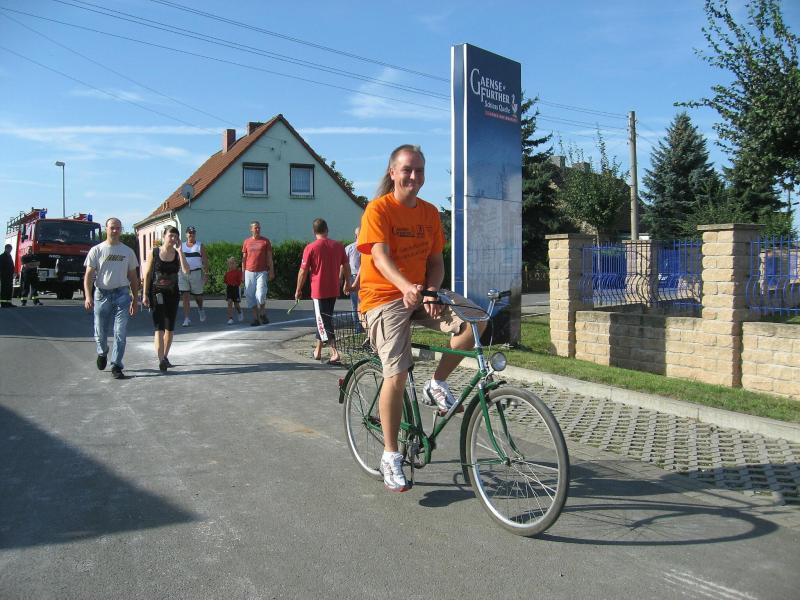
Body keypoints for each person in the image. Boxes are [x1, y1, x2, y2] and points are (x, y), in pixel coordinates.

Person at [357, 144, 484, 492]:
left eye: (420, 170)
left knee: (476, 321)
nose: (414, 176)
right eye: (407, 170)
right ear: (393, 173)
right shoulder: (378, 210)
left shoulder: (429, 213)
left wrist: (430, 291)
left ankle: (436, 383)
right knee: (396, 374)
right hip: (383, 298)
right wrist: (405, 287)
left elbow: (436, 262)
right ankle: (390, 455)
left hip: (419, 293)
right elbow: (380, 257)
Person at [83, 217, 140, 380]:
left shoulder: (127, 252)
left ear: (121, 230)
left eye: (118, 228)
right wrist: (88, 296)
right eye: (112, 228)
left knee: (120, 332)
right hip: (102, 294)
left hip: (122, 294)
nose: (115, 231)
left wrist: (135, 299)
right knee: (100, 331)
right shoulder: (97, 250)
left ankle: (116, 365)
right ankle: (102, 352)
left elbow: (133, 277)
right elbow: (88, 275)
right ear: (106, 229)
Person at [294, 218, 351, 364]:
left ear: (314, 231)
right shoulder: (338, 246)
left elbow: (303, 271)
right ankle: (318, 351)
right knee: (325, 318)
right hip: (333, 288)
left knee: (323, 321)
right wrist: (347, 282)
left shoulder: (310, 247)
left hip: (318, 290)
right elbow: (346, 265)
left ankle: (334, 352)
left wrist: (298, 289)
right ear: (327, 229)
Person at [142, 227, 190, 372]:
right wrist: (144, 294)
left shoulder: (177, 254)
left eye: (176, 236)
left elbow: (186, 271)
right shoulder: (154, 252)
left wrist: (180, 251)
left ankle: (165, 356)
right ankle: (161, 359)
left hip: (172, 294)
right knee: (159, 327)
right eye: (171, 235)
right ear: (164, 236)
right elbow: (147, 274)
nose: (173, 239)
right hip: (156, 294)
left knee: (169, 328)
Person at [242, 220, 274, 326]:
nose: (258, 229)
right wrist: (243, 273)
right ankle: (256, 318)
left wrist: (271, 271)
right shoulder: (247, 242)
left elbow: (269, 257)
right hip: (249, 272)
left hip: (262, 271)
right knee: (250, 296)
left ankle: (262, 313)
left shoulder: (265, 241)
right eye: (255, 227)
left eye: (259, 227)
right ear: (251, 229)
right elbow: (244, 259)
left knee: (260, 294)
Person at [179, 226, 208, 327]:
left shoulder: (200, 245)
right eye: (189, 233)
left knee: (198, 296)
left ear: (195, 234)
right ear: (186, 234)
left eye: (193, 233)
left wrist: (206, 274)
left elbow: (205, 260)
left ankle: (200, 308)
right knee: (185, 296)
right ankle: (187, 318)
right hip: (183, 273)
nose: (191, 234)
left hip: (196, 273)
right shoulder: (181, 246)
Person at [344, 226, 361, 326]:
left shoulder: (349, 248)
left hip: (353, 277)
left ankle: (358, 327)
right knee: (363, 303)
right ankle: (364, 326)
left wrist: (344, 281)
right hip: (363, 278)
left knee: (355, 304)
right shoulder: (369, 247)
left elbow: (344, 265)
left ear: (355, 236)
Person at [223, 256, 244, 324]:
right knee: (229, 302)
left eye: (233, 263)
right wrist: (226, 292)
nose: (231, 265)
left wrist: (238, 285)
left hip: (236, 288)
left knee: (236, 304)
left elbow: (239, 282)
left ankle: (240, 312)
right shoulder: (227, 273)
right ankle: (230, 318)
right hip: (229, 288)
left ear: (236, 264)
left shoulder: (238, 272)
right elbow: (226, 283)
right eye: (230, 263)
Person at [0, 244, 15, 308]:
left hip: (10, 276)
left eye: (11, 249)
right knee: (4, 290)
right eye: (9, 249)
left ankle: (9, 303)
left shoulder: (9, 256)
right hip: (4, 276)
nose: (10, 250)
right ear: (6, 248)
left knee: (9, 289)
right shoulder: (2, 256)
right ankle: (3, 303)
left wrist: (13, 272)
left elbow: (12, 265)